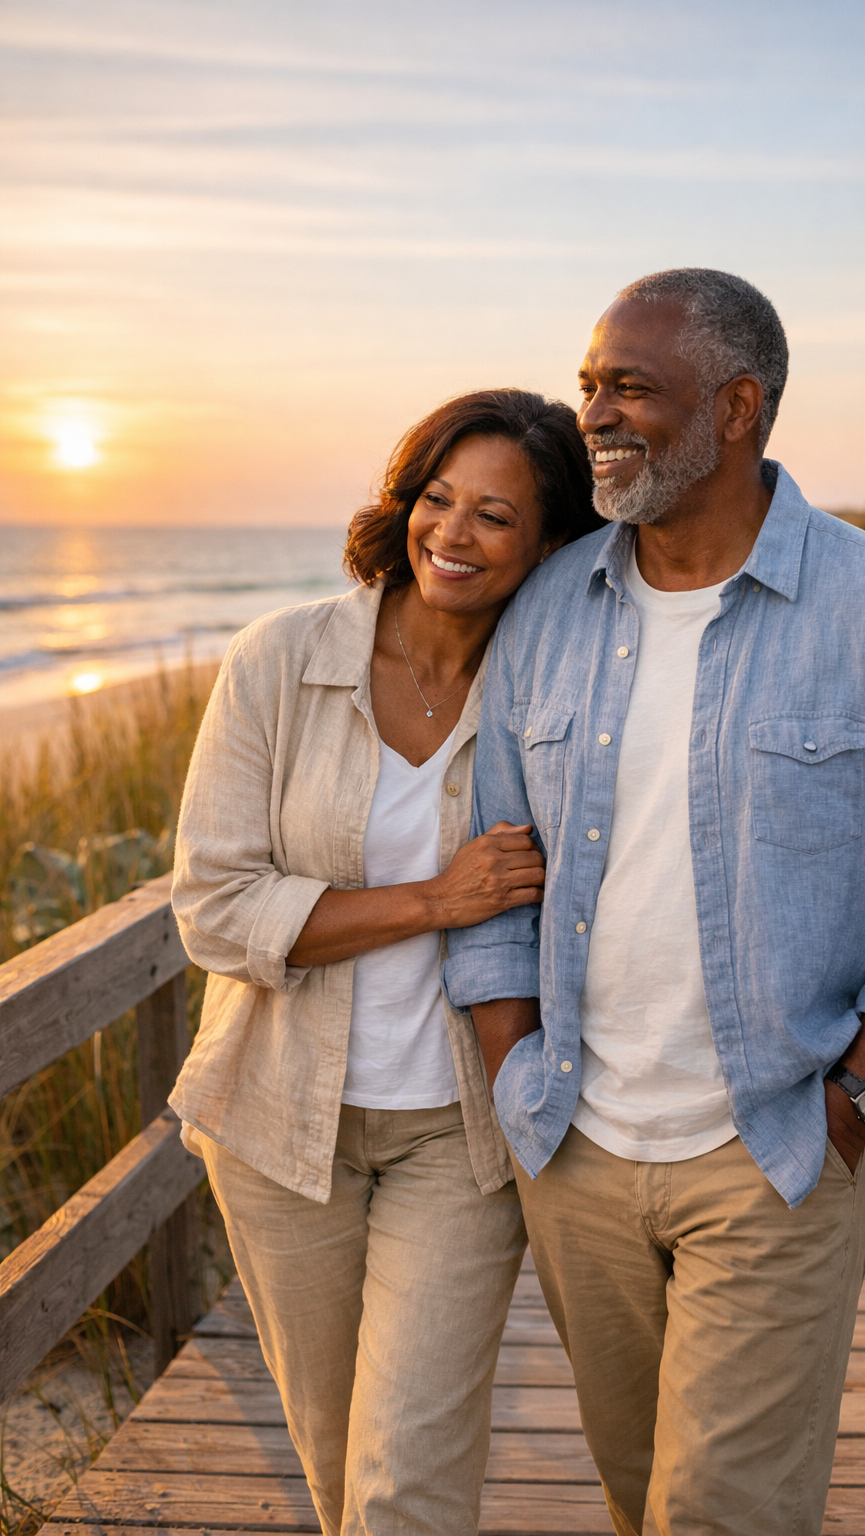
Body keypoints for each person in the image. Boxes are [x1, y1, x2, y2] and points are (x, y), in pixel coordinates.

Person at [444, 270, 865, 1536]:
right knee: (637, 1491)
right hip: (577, 1145)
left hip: (780, 1146)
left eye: (629, 388)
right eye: (587, 385)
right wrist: (519, 1074)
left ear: (737, 408)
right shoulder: (546, 611)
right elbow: (496, 881)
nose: (593, 415)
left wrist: (855, 1106)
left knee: (722, 1512)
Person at [169, 388, 603, 1536]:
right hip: (277, 1124)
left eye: (494, 516)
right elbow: (214, 909)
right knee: (338, 1466)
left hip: (457, 1131)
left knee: (404, 1476)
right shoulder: (278, 661)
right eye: (436, 499)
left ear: (551, 543)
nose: (451, 534)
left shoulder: (558, 697)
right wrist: (434, 901)